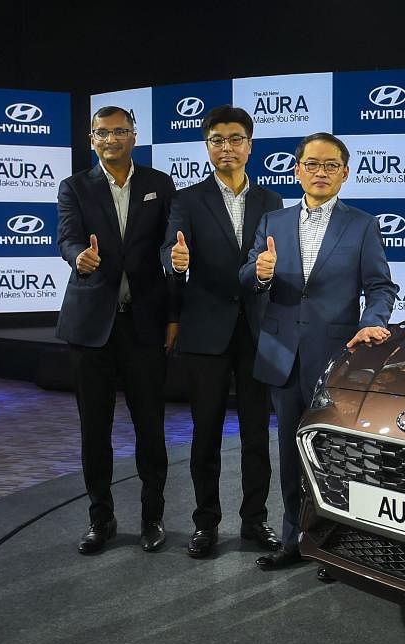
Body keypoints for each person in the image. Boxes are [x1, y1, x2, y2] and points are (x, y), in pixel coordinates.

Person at [239, 132, 398, 571]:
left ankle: (337, 548)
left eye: (330, 165)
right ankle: (293, 539)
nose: (320, 172)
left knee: (336, 457)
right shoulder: (273, 222)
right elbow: (246, 276)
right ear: (297, 170)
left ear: (345, 174)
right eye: (312, 164)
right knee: (291, 454)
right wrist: (261, 272)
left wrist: (372, 322)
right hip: (281, 356)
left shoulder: (362, 224)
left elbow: (380, 287)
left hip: (336, 360)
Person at [160, 106, 283, 558]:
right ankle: (205, 523)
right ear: (207, 146)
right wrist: (174, 263)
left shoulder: (271, 201)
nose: (226, 147)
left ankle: (255, 521)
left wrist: (268, 273)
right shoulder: (187, 200)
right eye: (217, 139)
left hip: (256, 331)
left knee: (256, 434)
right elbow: (170, 247)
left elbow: (272, 261)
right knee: (205, 432)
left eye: (235, 139)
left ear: (250, 145)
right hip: (205, 331)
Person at [56, 106, 176, 554]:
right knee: (95, 431)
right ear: (92, 138)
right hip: (91, 327)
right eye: (102, 132)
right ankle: (100, 520)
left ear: (133, 135)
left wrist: (173, 311)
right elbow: (67, 237)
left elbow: (170, 245)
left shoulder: (159, 185)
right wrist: (77, 257)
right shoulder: (75, 187)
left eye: (120, 131)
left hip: (144, 324)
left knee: (151, 428)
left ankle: (152, 518)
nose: (111, 138)